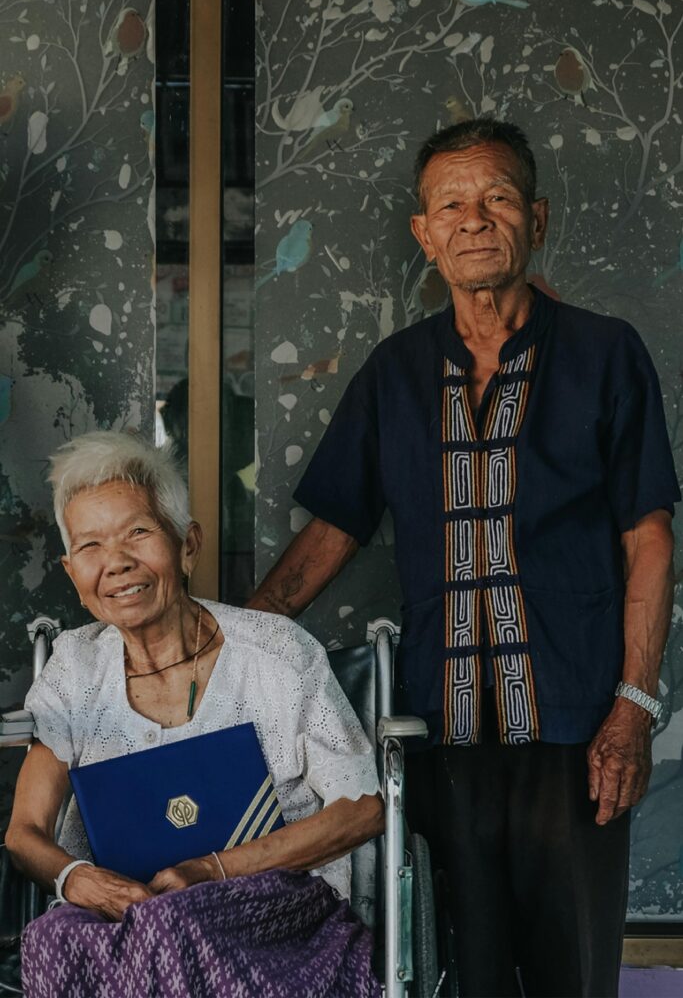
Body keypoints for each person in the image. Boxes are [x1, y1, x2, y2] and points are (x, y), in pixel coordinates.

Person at [247, 118, 680, 997]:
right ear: (424, 234)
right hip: (437, 729)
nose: (474, 219)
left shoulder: (605, 355)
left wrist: (633, 705)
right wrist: (227, 646)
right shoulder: (394, 373)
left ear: (538, 218)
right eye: (451, 204)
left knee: (576, 973)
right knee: (455, 969)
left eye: (497, 198)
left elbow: (649, 537)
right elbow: (332, 531)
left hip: (576, 724)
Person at [6, 431, 383, 998]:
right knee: (52, 937)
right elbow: (25, 831)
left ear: (187, 545)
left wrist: (210, 870)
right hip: (124, 913)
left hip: (277, 909)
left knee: (170, 925)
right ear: (70, 572)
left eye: (138, 532)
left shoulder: (277, 653)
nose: (117, 564)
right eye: (90, 547)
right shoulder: (73, 670)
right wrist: (77, 878)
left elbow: (362, 810)